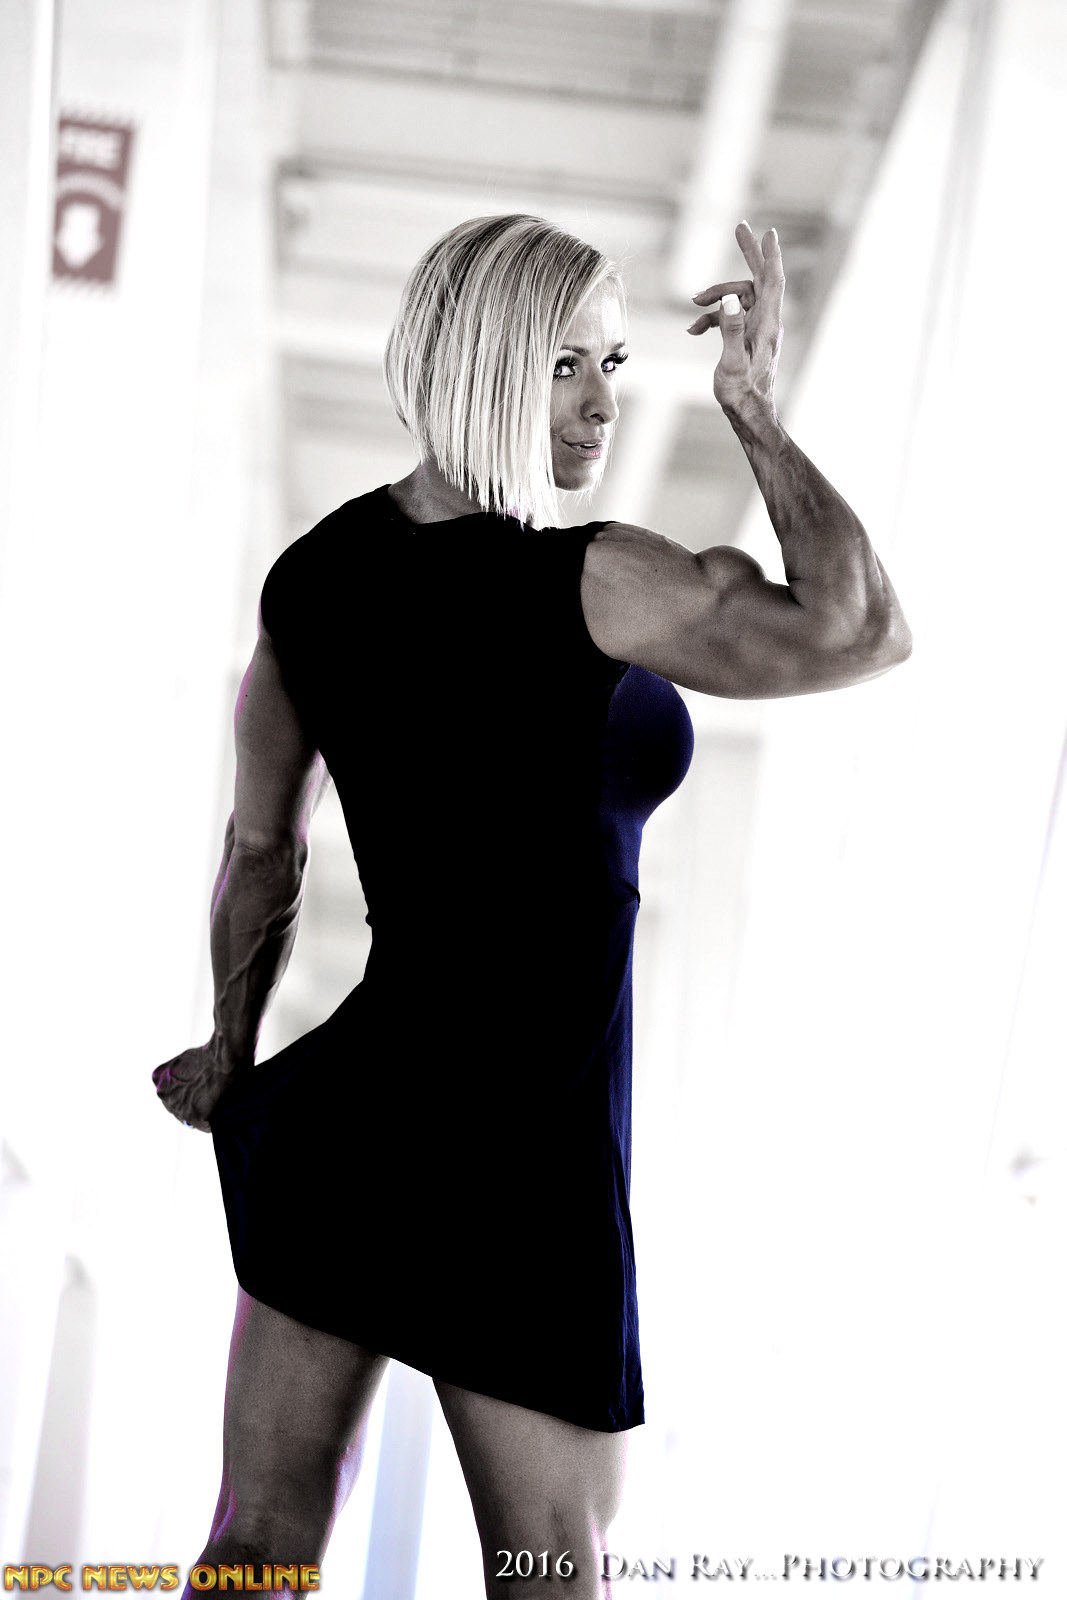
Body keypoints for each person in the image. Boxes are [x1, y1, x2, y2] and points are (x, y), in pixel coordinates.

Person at [153, 213, 910, 1598]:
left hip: (367, 1119)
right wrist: (753, 409)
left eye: (612, 363)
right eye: (565, 363)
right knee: (550, 1575)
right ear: (480, 357)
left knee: (257, 1546)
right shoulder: (595, 581)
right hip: (531, 1150)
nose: (602, 402)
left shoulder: (313, 583)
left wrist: (228, 1046)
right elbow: (859, 628)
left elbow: (263, 851)